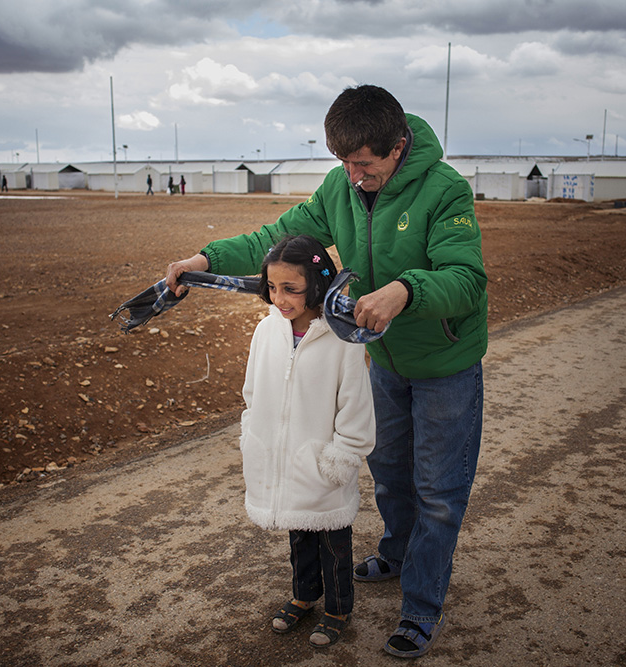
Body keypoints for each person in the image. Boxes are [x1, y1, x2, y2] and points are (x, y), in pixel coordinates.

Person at [165, 84, 487, 658]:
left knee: (437, 490)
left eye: (363, 163)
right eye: (342, 161)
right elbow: (274, 240)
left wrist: (404, 290)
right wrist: (203, 260)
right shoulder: (341, 187)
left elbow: (466, 280)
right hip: (384, 361)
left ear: (396, 147)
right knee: (387, 471)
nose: (351, 174)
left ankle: (421, 607)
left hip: (444, 365)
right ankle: (394, 552)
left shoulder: (446, 191)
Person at [241, 234, 375, 648]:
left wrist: (341, 455)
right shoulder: (267, 331)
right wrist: (253, 432)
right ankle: (304, 596)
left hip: (322, 460)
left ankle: (338, 608)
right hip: (283, 459)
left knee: (332, 540)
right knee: (297, 531)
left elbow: (355, 404)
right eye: (273, 287)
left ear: (316, 286)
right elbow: (252, 390)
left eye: (291, 289)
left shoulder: (343, 339)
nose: (279, 299)